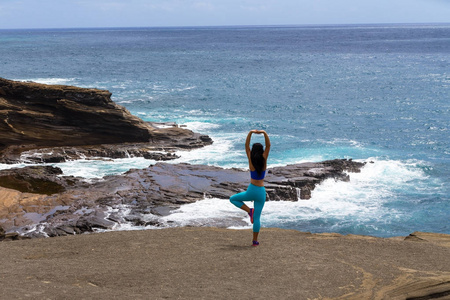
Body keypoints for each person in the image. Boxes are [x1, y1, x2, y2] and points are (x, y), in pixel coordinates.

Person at [230, 129, 271, 246]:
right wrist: (264, 133)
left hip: (251, 190)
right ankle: (255, 241)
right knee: (257, 218)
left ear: (253, 151)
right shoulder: (264, 160)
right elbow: (269, 145)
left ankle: (249, 211)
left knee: (233, 199)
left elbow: (246, 146)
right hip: (261, 192)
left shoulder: (251, 160)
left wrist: (250, 133)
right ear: (262, 151)